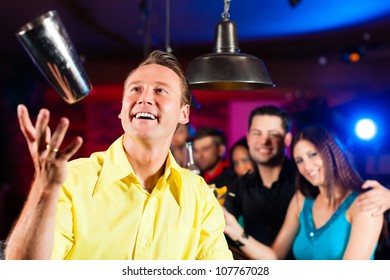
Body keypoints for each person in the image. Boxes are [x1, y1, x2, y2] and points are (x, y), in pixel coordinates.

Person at [5, 50, 233, 260]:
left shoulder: (199, 195)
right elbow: (26, 270)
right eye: (135, 89)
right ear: (123, 110)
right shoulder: (72, 178)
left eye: (160, 90)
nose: (144, 98)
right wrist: (45, 188)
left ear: (183, 114)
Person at [224, 125, 384, 259]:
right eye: (299, 161)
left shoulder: (365, 203)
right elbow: (274, 257)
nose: (307, 166)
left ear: (332, 152)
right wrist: (233, 229)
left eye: (313, 155)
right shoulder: (302, 200)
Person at [223, 105, 296, 259]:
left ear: (287, 139)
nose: (264, 141)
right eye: (257, 133)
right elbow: (220, 218)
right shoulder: (242, 185)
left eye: (273, 134)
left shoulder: (303, 181)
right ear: (248, 138)